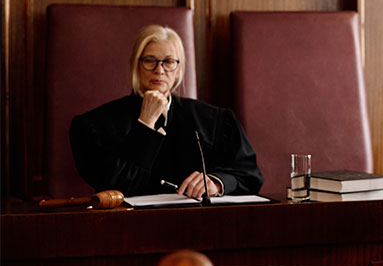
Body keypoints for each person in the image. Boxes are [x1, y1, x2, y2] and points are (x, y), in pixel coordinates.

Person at [70, 24, 264, 198]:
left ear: (179, 70)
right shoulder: (94, 125)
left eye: (169, 62)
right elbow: (115, 186)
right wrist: (145, 123)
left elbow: (250, 176)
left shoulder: (216, 120)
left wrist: (216, 182)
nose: (159, 70)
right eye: (149, 60)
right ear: (136, 65)